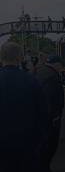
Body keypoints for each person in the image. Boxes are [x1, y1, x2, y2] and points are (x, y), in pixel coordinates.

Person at [0, 42, 48, 172]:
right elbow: (43, 114)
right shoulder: (32, 80)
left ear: (1, 57)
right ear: (20, 58)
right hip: (27, 143)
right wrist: (39, 140)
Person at [34, 55, 64, 171]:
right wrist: (54, 118)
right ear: (57, 65)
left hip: (41, 118)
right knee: (48, 147)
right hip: (49, 120)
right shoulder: (52, 77)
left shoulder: (40, 71)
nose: (62, 69)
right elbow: (50, 100)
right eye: (61, 66)